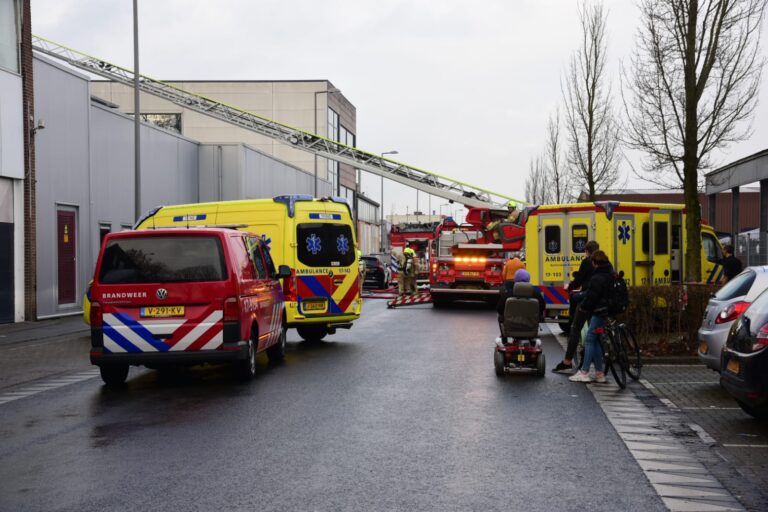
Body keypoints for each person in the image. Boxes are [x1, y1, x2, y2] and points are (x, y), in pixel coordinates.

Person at [552, 240, 599, 373]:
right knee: (595, 330)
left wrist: (570, 287)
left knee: (575, 329)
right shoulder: (603, 262)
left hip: (587, 299)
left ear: (587, 251)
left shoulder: (587, 262)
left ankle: (567, 361)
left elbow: (579, 279)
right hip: (599, 300)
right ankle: (599, 366)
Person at [569, 250, 614, 383]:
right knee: (596, 340)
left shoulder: (597, 277)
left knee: (589, 339)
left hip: (598, 312)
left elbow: (592, 297)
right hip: (607, 311)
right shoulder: (610, 274)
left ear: (595, 263)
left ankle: (584, 372)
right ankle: (599, 373)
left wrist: (583, 308)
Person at [496, 268, 545, 343]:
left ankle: (504, 339)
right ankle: (532, 340)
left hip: (511, 328)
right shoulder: (537, 295)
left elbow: (499, 309)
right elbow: (542, 308)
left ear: (515, 280)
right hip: (530, 328)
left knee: (499, 316)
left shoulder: (507, 295)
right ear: (528, 280)